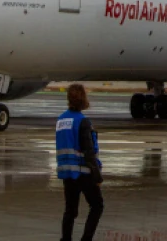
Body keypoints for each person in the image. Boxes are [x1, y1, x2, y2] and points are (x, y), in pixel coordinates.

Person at [56, 84, 104, 241]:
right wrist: (97, 176)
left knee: (70, 210)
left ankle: (66, 239)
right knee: (97, 206)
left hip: (67, 172)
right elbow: (88, 151)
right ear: (83, 98)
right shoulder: (83, 121)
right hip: (83, 171)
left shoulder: (61, 120)